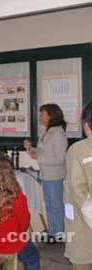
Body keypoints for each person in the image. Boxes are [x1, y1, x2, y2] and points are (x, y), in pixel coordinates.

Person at [24, 103, 68, 241]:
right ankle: (52, 232)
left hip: (54, 175)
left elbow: (60, 158)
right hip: (46, 174)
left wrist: (40, 156)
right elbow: (41, 153)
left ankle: (58, 235)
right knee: (49, 204)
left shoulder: (58, 133)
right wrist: (30, 148)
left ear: (51, 115)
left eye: (42, 114)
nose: (40, 117)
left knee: (56, 205)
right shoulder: (45, 132)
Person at [64, 101, 92, 270]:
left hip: (83, 222)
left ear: (86, 124)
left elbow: (77, 189)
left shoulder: (79, 149)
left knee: (82, 261)